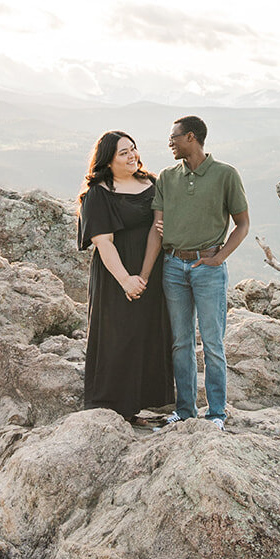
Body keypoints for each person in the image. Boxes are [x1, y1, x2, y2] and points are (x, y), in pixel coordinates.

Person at [152, 115, 248, 430]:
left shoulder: (225, 175)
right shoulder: (166, 177)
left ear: (191, 137)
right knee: (180, 342)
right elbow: (158, 225)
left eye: (173, 137)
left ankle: (217, 413)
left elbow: (242, 224)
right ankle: (185, 410)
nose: (169, 143)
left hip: (208, 268)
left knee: (212, 343)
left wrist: (219, 258)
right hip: (173, 267)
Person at [76, 130, 175, 422]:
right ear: (108, 161)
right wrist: (126, 280)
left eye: (133, 149)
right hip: (114, 274)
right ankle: (115, 406)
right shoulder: (97, 194)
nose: (132, 155)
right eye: (123, 152)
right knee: (118, 335)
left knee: (149, 331)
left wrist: (144, 275)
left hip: (152, 269)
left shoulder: (153, 184)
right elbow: (104, 243)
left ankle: (149, 401)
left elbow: (161, 227)